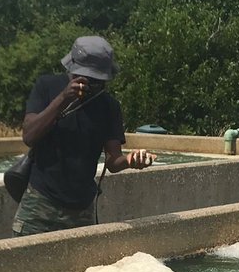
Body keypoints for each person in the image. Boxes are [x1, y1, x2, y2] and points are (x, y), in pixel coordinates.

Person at [13, 35, 155, 236]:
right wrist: (63, 98)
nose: (90, 84)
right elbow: (29, 136)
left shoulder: (109, 107)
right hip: (40, 204)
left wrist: (131, 160)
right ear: (71, 70)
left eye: (97, 80)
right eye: (85, 77)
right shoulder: (47, 86)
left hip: (82, 209)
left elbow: (113, 161)